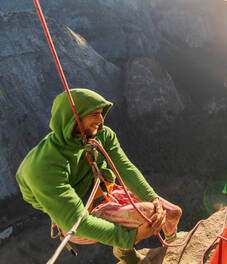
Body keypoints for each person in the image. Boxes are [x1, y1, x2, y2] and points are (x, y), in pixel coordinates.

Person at [16, 89, 182, 264]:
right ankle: (126, 253)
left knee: (172, 212)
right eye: (94, 114)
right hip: (78, 218)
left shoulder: (101, 135)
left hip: (105, 193)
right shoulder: (43, 167)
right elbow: (78, 222)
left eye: (101, 114)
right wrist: (131, 237)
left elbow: (125, 168)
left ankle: (172, 246)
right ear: (74, 118)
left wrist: (152, 197)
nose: (101, 120)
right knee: (148, 214)